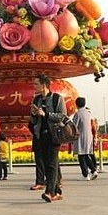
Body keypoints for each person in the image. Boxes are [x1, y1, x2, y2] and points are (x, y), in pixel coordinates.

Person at [29, 74, 66, 202]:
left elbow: (62, 116)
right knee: (46, 163)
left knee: (51, 163)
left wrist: (46, 114)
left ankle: (49, 192)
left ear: (44, 85)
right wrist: (34, 114)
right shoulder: (36, 99)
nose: (34, 86)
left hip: (54, 135)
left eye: (36, 84)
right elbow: (33, 120)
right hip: (40, 135)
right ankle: (57, 191)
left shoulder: (57, 98)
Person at [72, 97, 98, 181]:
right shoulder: (88, 113)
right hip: (89, 136)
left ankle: (85, 174)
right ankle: (93, 170)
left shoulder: (78, 114)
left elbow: (74, 126)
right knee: (86, 154)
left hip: (81, 136)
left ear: (76, 104)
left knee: (81, 155)